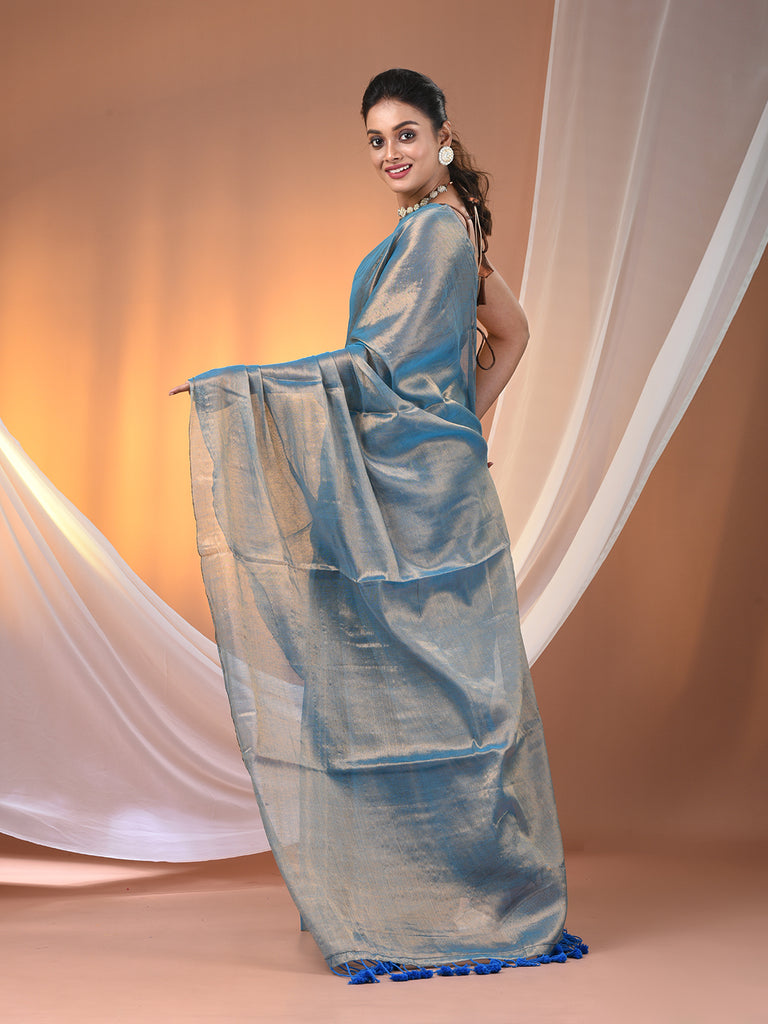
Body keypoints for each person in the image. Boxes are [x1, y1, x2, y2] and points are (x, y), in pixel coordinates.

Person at [171, 68, 586, 983]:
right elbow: (511, 332)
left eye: (405, 133)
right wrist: (461, 422)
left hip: (419, 499)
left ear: (442, 136)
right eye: (375, 139)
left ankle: (439, 903)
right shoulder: (451, 227)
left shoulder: (435, 232)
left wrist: (243, 388)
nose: (390, 152)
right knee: (453, 696)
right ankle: (454, 891)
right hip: (436, 485)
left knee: (428, 694)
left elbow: (376, 368)